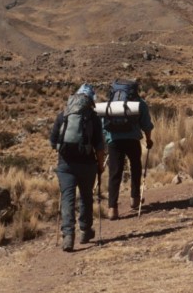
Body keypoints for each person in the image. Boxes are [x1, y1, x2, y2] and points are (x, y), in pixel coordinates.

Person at [49, 84, 105, 252]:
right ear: (90, 100)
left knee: (68, 198)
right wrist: (100, 166)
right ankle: (85, 231)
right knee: (86, 197)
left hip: (65, 165)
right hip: (87, 165)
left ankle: (68, 236)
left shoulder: (63, 115)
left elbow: (53, 141)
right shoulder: (93, 118)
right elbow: (100, 147)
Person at [102, 79, 154, 219]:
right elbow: (146, 125)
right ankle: (134, 200)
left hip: (114, 141)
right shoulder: (139, 103)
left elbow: (103, 124)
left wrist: (107, 139)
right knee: (135, 167)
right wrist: (148, 140)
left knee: (115, 173)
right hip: (132, 139)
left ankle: (112, 209)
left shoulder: (110, 103)